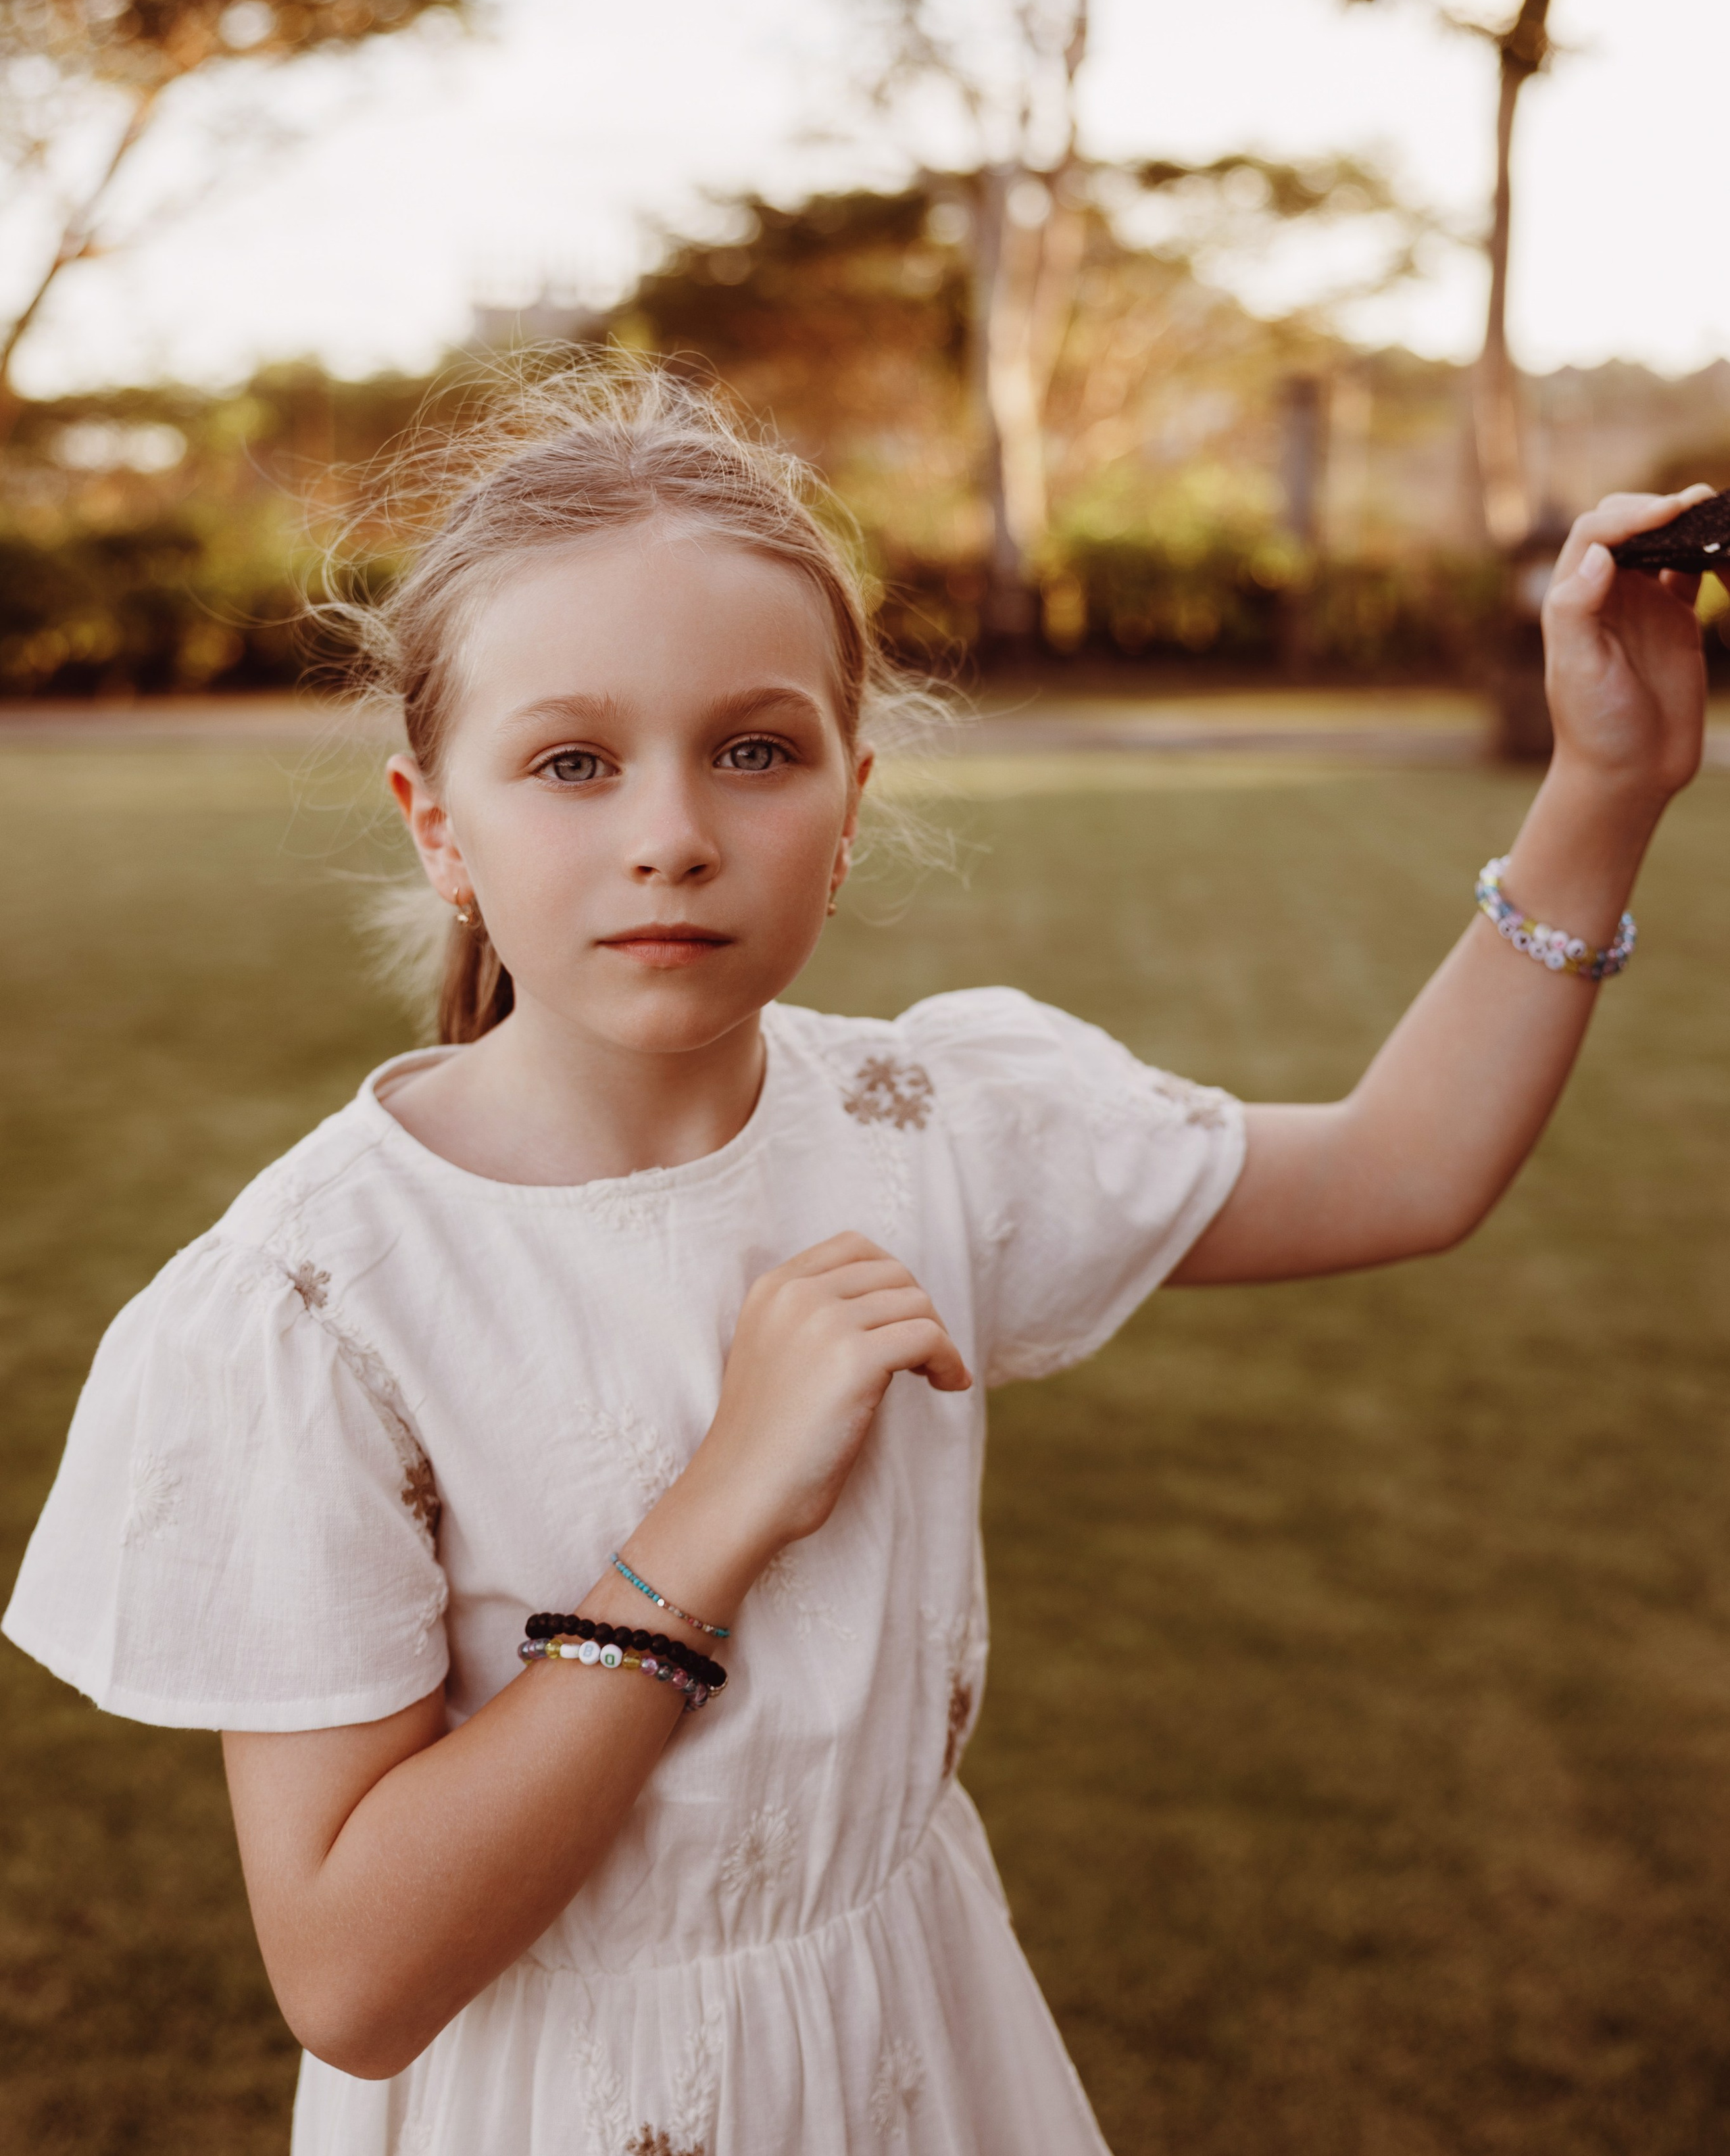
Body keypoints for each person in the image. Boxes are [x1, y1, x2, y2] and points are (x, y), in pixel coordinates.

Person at [3, 363, 1710, 2156]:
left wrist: (1605, 781)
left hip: (918, 2044)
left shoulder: (929, 1122)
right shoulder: (310, 1307)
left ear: (850, 794)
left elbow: (1402, 1168)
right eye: (573, 761)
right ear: (439, 823)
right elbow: (354, 1979)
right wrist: (716, 1510)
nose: (670, 828)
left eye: (754, 748)